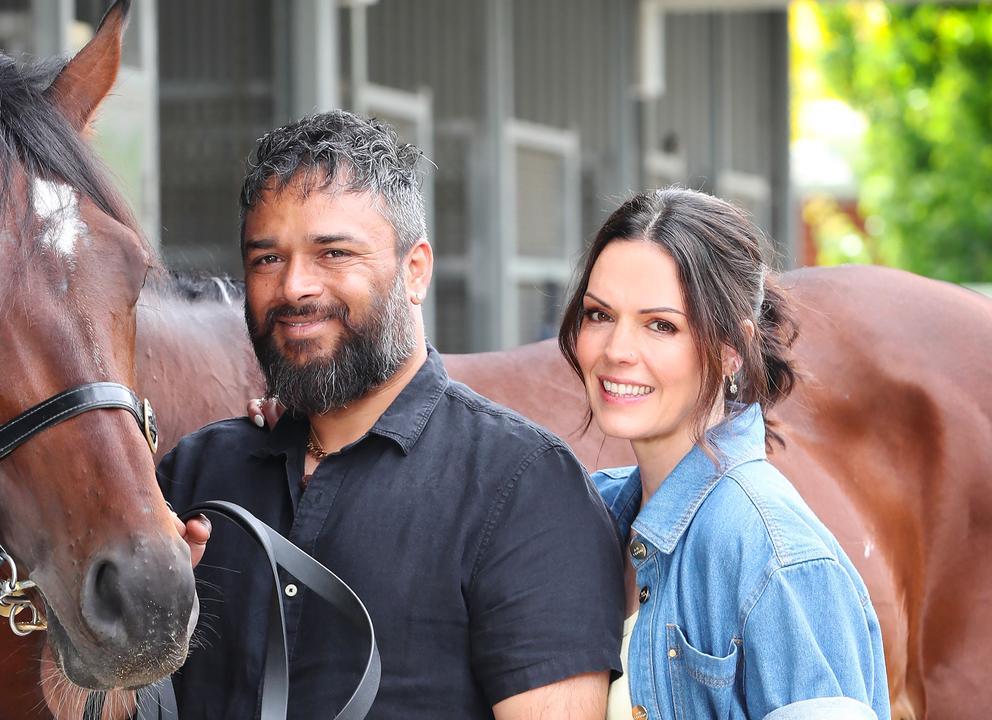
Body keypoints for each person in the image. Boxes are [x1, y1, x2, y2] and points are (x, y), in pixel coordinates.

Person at [158, 110, 623, 719]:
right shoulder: (195, 476)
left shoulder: (524, 490)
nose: (295, 286)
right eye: (267, 259)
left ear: (415, 270)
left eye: (333, 253)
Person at [557, 188, 889, 719]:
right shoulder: (594, 514)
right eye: (600, 315)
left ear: (731, 348)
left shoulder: (773, 553)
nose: (616, 350)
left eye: (661, 324)